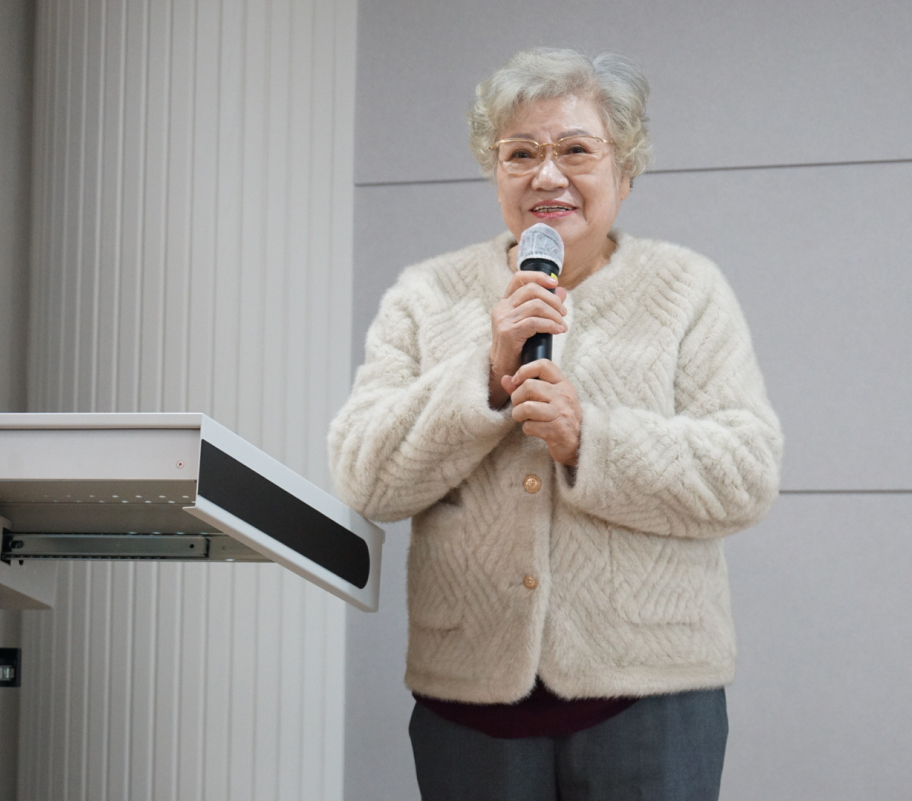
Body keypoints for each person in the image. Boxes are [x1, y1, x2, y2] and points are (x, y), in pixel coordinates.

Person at [329, 47, 783, 800]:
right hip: (468, 706)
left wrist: (589, 441)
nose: (547, 175)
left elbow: (745, 474)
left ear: (625, 171)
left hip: (651, 701)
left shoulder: (688, 289)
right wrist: (485, 376)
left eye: (575, 150)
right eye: (521, 153)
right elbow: (364, 477)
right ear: (495, 171)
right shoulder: (426, 295)